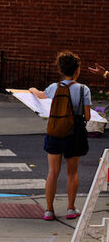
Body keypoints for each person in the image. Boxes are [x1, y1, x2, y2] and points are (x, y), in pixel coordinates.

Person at [30, 51, 91, 221]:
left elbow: (40, 95)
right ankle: (71, 208)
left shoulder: (53, 87)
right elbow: (87, 116)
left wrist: (33, 90)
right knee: (72, 172)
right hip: (74, 134)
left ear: (61, 70)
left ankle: (49, 210)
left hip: (55, 131)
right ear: (77, 70)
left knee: (52, 172)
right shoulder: (83, 89)